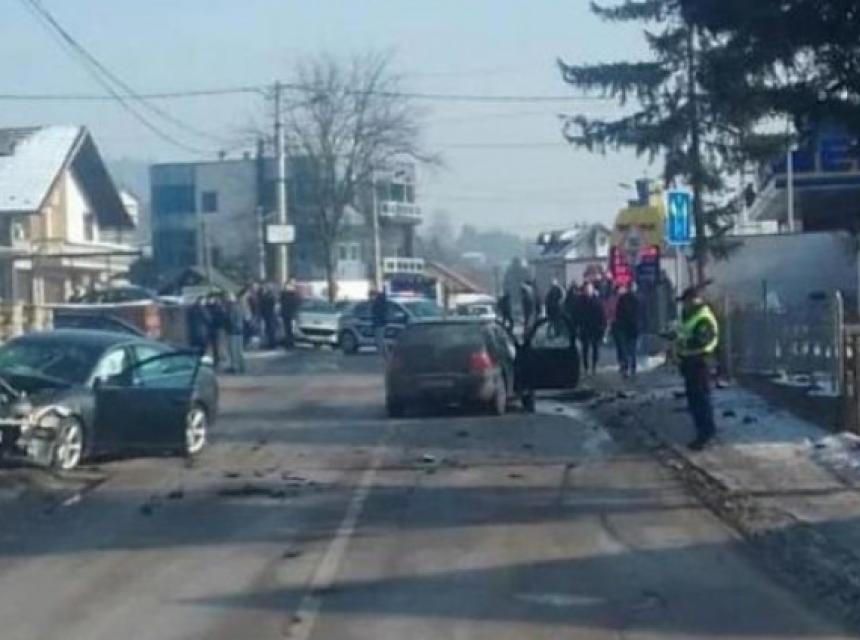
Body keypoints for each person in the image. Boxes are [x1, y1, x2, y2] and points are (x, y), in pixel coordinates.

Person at [676, 285, 720, 451]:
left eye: (686, 301)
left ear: (693, 300)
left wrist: (684, 342)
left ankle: (706, 433)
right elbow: (684, 333)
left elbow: (702, 340)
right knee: (694, 400)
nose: (684, 305)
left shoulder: (703, 317)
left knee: (701, 399)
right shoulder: (689, 316)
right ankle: (701, 431)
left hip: (701, 363)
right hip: (690, 363)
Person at [579, 281, 607, 375]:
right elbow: (576, 314)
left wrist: (602, 326)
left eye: (589, 289)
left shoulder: (597, 301)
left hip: (595, 328)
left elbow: (602, 315)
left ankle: (594, 366)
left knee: (595, 348)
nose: (588, 291)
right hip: (585, 327)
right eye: (586, 289)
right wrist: (577, 325)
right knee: (585, 348)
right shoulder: (580, 301)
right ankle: (586, 366)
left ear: (592, 290)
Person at [614, 282, 641, 377]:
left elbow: (618, 313)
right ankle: (632, 367)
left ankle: (626, 367)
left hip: (624, 328)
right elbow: (641, 314)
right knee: (632, 349)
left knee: (625, 348)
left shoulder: (622, 299)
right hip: (633, 328)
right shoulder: (638, 299)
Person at [224, 292, 246, 374]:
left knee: (233, 350)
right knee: (240, 350)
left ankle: (235, 367)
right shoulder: (239, 307)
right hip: (240, 331)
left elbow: (231, 319)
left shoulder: (231, 308)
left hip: (233, 331)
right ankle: (242, 367)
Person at [205, 294, 226, 368]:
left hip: (215, 328)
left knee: (216, 345)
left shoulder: (216, 308)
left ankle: (217, 359)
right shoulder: (216, 307)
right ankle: (217, 359)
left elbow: (220, 318)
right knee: (215, 345)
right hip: (214, 328)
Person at [280, 280, 301, 350]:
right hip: (288, 314)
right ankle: (289, 342)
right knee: (288, 329)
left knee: (289, 329)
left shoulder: (287, 295)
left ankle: (289, 343)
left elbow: (284, 304)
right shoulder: (292, 295)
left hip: (288, 314)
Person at [371, 288, 389, 360]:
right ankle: (385, 355)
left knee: (379, 341)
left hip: (379, 323)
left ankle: (382, 356)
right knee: (381, 340)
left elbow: (376, 313)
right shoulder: (381, 303)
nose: (371, 297)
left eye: (372, 295)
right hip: (381, 323)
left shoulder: (377, 303)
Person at [259, 284, 278, 350]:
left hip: (269, 315)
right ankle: (271, 344)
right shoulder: (270, 296)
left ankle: (271, 344)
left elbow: (264, 305)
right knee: (270, 330)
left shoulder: (268, 297)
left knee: (270, 330)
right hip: (269, 315)